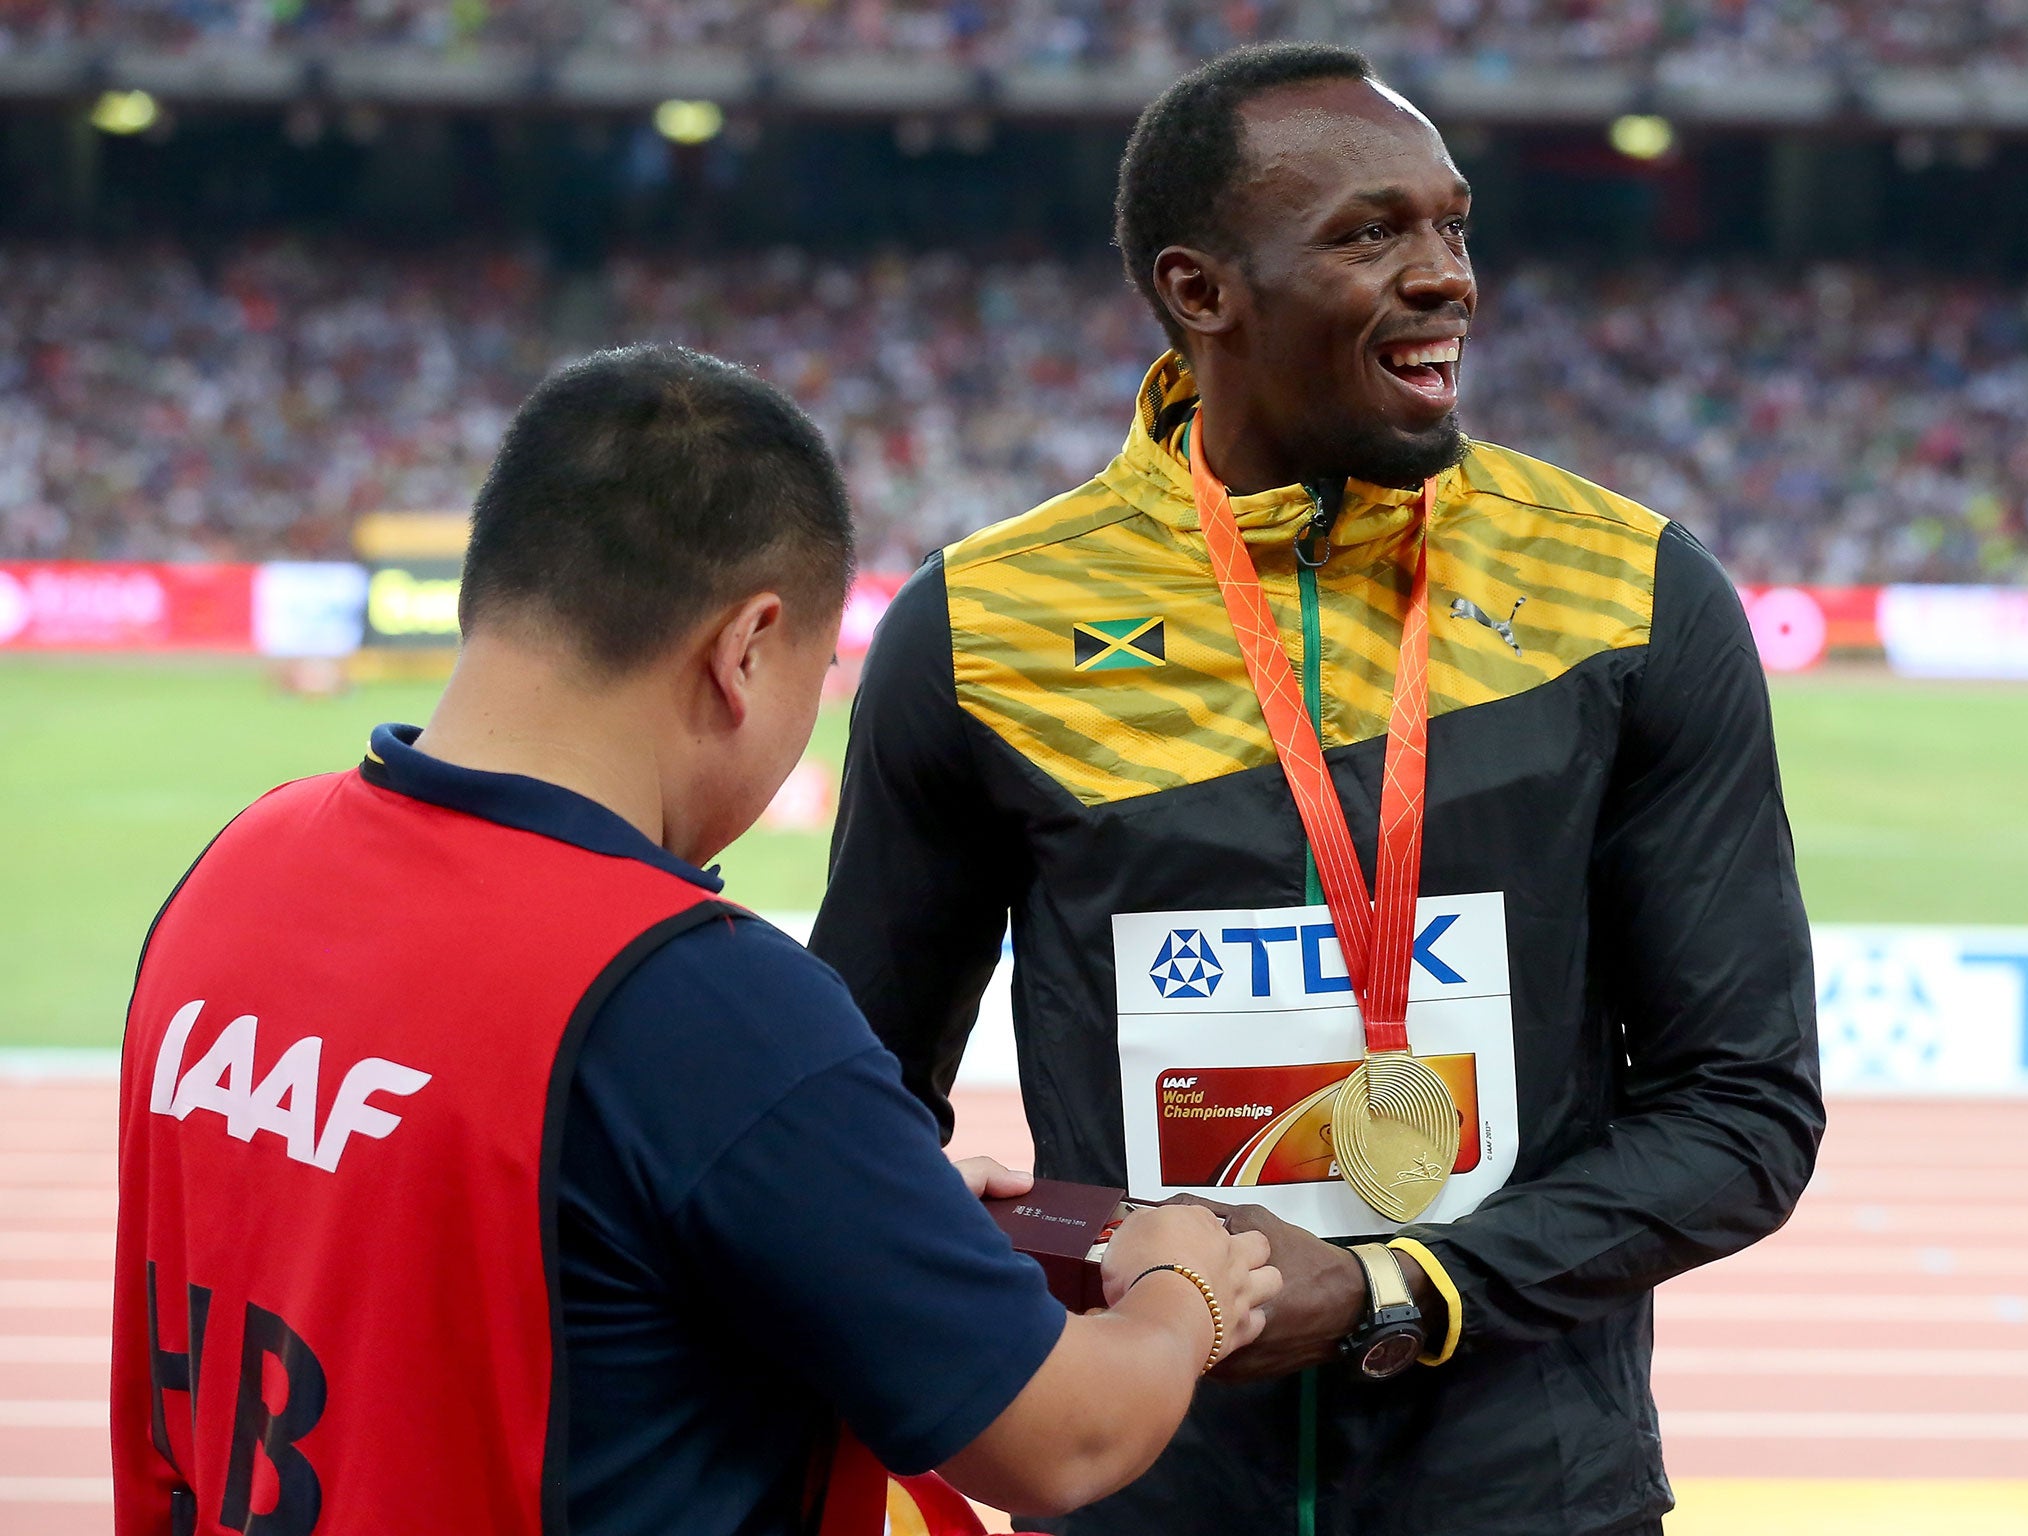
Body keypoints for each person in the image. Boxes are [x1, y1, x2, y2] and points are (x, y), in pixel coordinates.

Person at [810, 43, 1824, 1536]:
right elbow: (855, 1104)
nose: (1446, 279)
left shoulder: (1630, 594)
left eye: (1454, 226)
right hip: (1140, 1490)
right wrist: (980, 1230)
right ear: (1199, 290)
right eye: (1369, 235)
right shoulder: (984, 630)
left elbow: (1742, 1110)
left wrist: (1388, 1290)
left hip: (1527, 1494)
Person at [111, 344, 1280, 1536]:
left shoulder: (234, 870)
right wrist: (1180, 1286)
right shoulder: (703, 1002)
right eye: (815, 675)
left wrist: (840, 1194)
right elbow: (1062, 1437)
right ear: (745, 651)